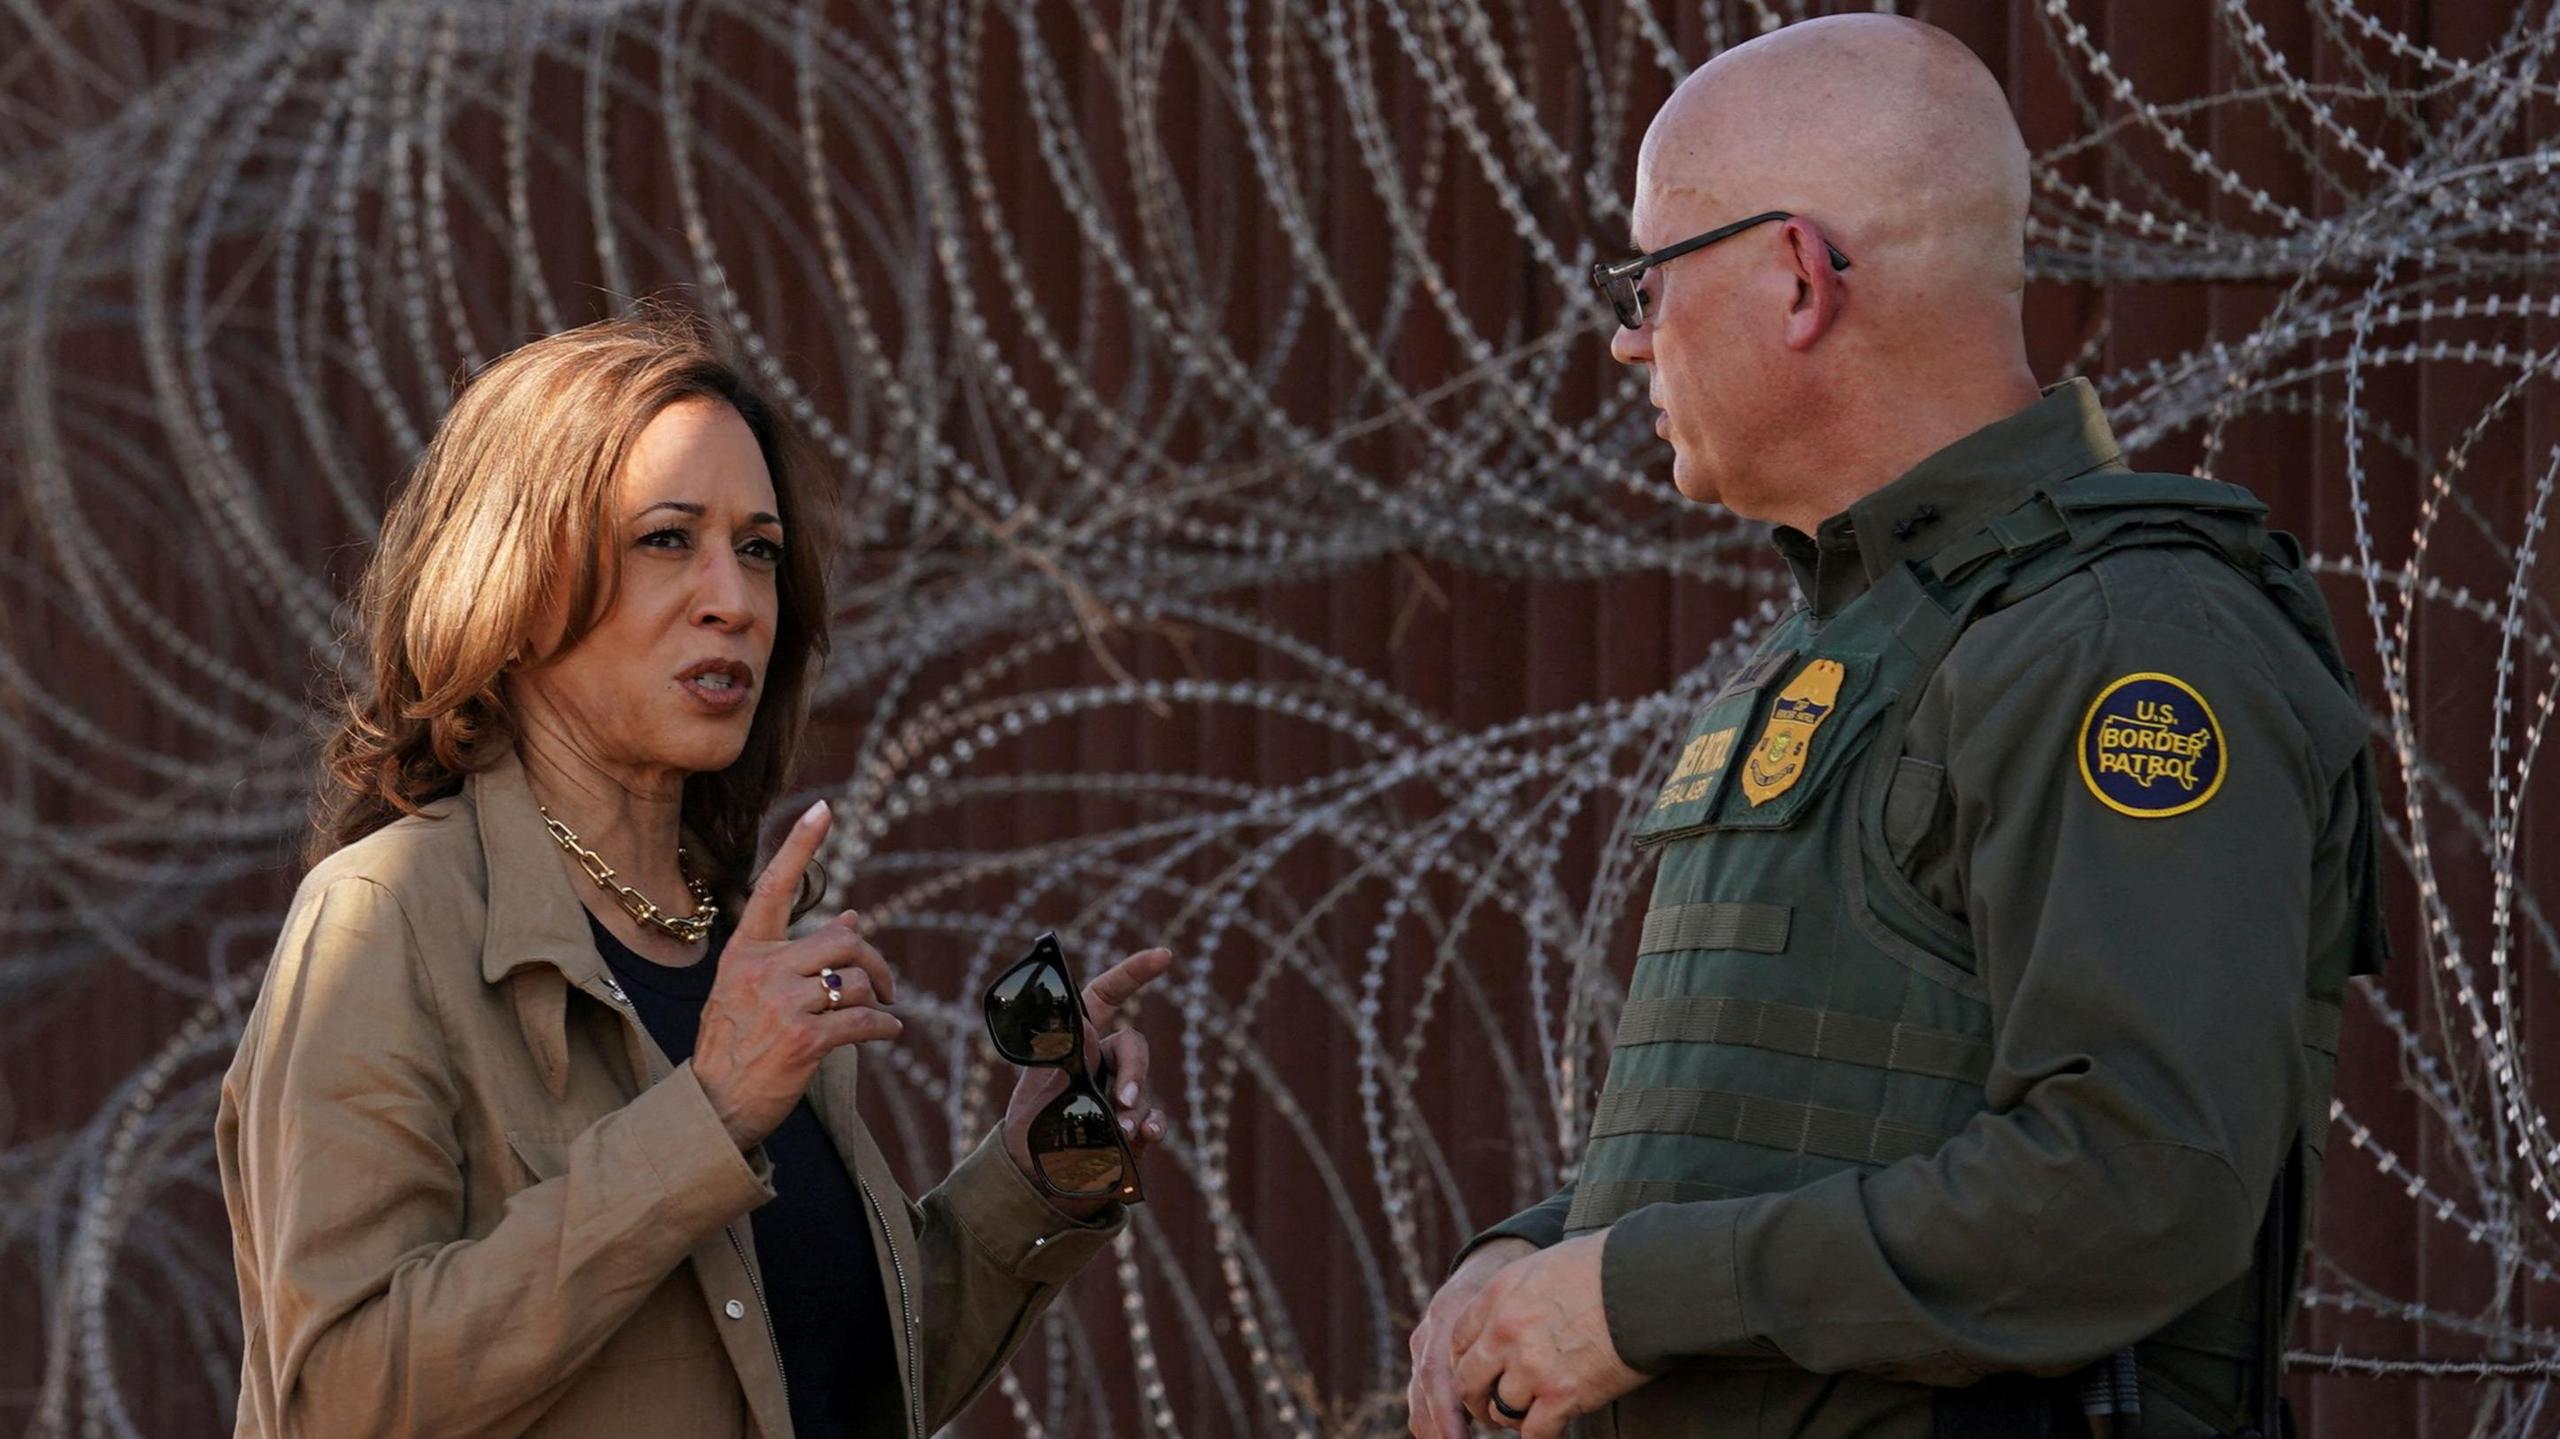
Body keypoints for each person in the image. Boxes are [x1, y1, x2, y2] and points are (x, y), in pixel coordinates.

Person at [1405, 16, 2386, 1439]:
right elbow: (1809, 1122)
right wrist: (1546, 1259)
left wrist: (1633, 1295)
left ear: (1797, 279)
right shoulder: (1868, 639)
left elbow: (2136, 1178)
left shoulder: (2121, 640)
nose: (1626, 338)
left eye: (1644, 278)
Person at [217, 305, 1174, 1438]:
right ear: (517, 583)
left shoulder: (737, 941)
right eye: (667, 537)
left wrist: (1030, 1170)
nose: (734, 598)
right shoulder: (387, 916)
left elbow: (824, 1381)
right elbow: (341, 1398)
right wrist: (708, 1111)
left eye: (758, 550)